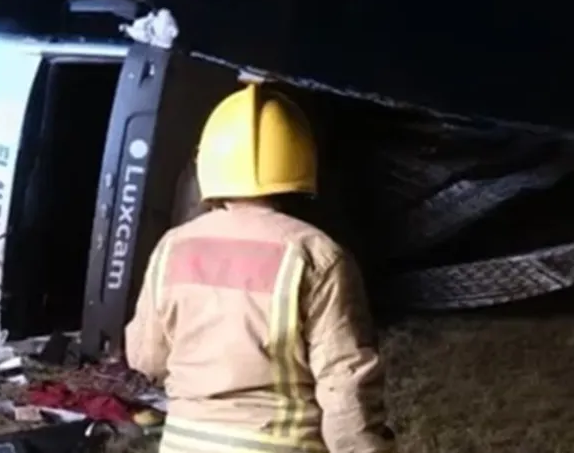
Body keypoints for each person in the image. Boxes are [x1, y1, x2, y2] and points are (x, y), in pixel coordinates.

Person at [125, 83, 393, 453]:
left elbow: (146, 358)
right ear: (302, 160)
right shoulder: (316, 253)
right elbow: (345, 385)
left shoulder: (172, 247)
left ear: (208, 163)